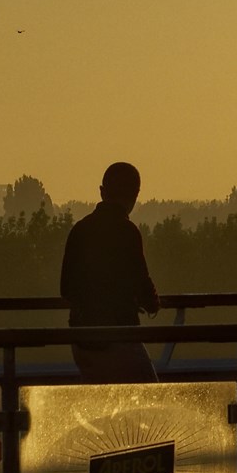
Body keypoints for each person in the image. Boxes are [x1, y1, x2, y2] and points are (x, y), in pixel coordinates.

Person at [60, 162, 161, 382]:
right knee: (150, 396)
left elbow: (66, 289)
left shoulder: (80, 230)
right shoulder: (127, 232)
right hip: (120, 338)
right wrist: (151, 303)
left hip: (82, 339)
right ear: (135, 196)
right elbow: (142, 284)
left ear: (102, 192)